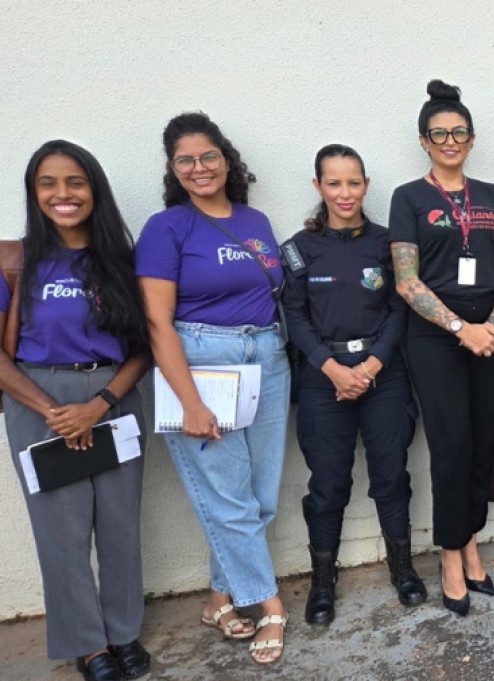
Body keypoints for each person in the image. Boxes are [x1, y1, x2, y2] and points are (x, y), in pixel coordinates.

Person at [136, 112, 289, 664]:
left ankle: (219, 599)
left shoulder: (255, 221)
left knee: (258, 495)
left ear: (226, 160)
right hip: (203, 361)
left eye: (208, 156)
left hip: (267, 358)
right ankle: (270, 605)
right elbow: (157, 322)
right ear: (173, 168)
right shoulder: (166, 227)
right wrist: (190, 402)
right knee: (228, 497)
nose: (198, 167)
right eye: (185, 160)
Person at [0, 141, 151, 681]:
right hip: (38, 403)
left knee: (119, 526)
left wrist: (99, 405)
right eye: (48, 183)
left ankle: (123, 631)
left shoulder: (123, 260)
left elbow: (145, 346)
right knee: (61, 533)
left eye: (75, 182)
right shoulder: (13, 259)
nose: (62, 194)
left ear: (94, 189)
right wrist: (55, 411)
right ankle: (88, 645)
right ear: (33, 192)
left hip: (114, 399)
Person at [389, 79, 494, 616]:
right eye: (439, 133)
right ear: (424, 141)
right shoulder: (409, 197)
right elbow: (406, 281)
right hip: (436, 338)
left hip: (490, 332)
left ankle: (470, 542)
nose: (450, 141)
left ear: (472, 138)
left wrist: (491, 324)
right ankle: (451, 555)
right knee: (450, 448)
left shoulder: (492, 196)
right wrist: (460, 328)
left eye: (459, 132)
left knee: (481, 444)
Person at [281, 144, 426, 625]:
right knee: (327, 484)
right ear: (318, 186)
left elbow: (400, 308)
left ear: (366, 185)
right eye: (334, 183)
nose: (345, 193)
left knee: (391, 475)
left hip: (383, 374)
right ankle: (323, 581)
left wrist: (371, 366)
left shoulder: (388, 243)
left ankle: (402, 568)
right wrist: (333, 369)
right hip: (324, 378)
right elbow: (294, 316)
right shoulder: (299, 248)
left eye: (354, 182)